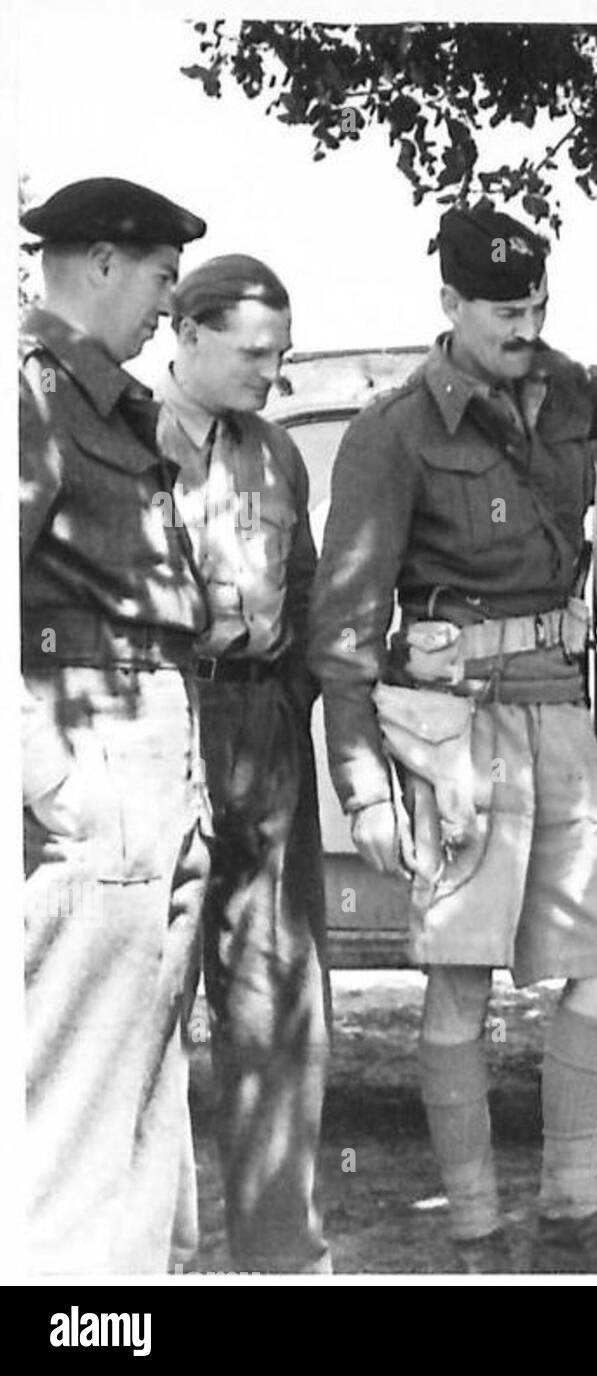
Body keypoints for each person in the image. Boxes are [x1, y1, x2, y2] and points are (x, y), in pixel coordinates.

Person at [309, 200, 597, 1271]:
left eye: (538, 305)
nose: (527, 326)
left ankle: (572, 1209)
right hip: (454, 736)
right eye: (505, 310)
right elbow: (343, 636)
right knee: (460, 987)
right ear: (451, 304)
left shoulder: (566, 393)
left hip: (562, 721)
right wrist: (365, 784)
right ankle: (475, 1226)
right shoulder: (392, 436)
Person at [19, 176, 211, 1272]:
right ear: (99, 263)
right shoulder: (33, 393)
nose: (165, 306)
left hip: (149, 746)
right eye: (158, 279)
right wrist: (58, 787)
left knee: (143, 1098)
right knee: (71, 1120)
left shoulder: (99, 398)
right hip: (91, 752)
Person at [157, 255, 332, 1273]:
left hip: (260, 726)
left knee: (276, 995)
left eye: (282, 353)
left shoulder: (277, 455)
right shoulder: (116, 440)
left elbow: (304, 591)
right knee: (150, 998)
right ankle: (157, 1252)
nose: (273, 372)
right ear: (185, 331)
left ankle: (278, 1252)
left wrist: (290, 700)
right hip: (162, 716)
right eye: (254, 352)